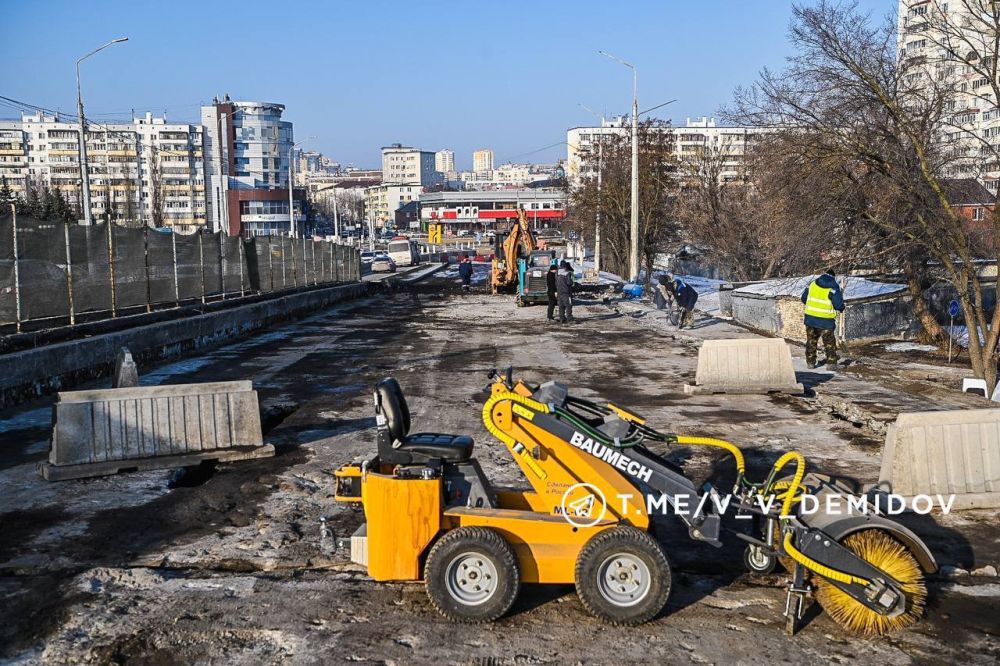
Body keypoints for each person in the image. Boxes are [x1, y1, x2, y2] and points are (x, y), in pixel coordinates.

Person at [801, 270, 845, 368]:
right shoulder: (834, 287)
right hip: (826, 321)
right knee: (829, 343)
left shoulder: (812, 284)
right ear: (833, 277)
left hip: (810, 319)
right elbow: (838, 304)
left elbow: (804, 298)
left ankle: (810, 363)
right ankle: (831, 364)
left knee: (811, 341)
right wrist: (842, 307)